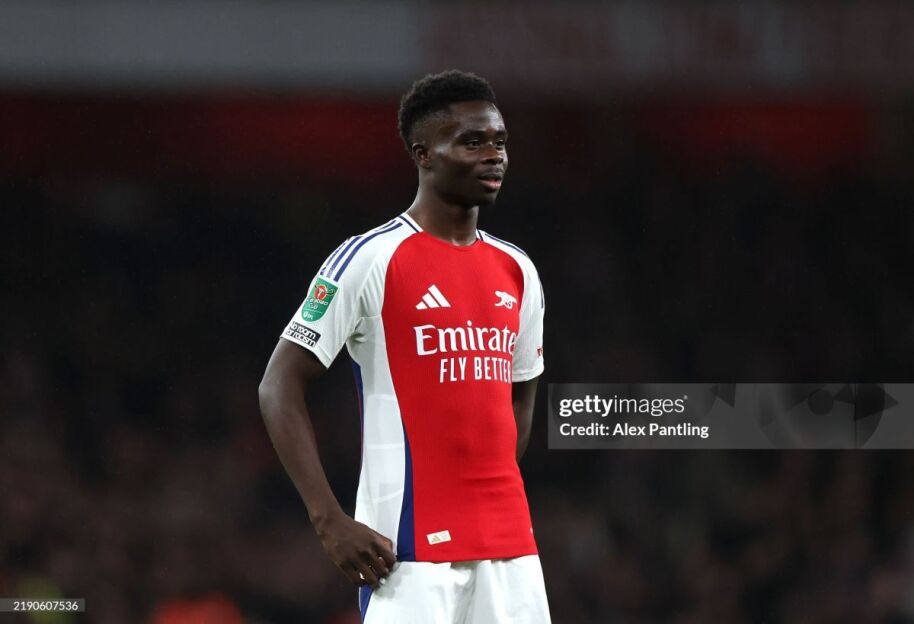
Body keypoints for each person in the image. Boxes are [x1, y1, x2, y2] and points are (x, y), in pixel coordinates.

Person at [258, 69, 550, 623]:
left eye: (500, 142)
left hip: (512, 554)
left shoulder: (518, 269)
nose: (494, 156)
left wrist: (481, 496)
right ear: (423, 154)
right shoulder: (368, 258)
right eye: (472, 142)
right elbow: (278, 385)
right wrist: (329, 520)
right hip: (405, 554)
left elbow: (521, 395)